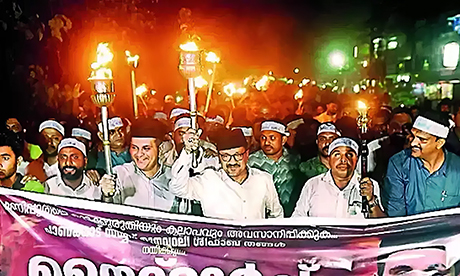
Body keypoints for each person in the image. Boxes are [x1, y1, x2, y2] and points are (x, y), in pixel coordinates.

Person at [171, 128, 284, 220]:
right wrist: (186, 153)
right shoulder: (209, 180)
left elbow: (276, 215)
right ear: (219, 157)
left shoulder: (263, 179)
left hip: (254, 246)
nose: (232, 161)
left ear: (247, 154)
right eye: (225, 156)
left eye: (237, 155)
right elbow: (177, 188)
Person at [383, 111, 460, 217]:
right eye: (413, 136)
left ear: (439, 143)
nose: (413, 143)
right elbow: (395, 215)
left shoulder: (457, 168)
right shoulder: (399, 164)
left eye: (422, 140)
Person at [99, 119, 183, 212]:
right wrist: (106, 196)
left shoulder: (174, 177)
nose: (139, 154)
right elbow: (108, 213)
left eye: (146, 148)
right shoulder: (119, 175)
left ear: (160, 148)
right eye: (134, 148)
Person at [292, 137, 385, 218]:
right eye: (337, 154)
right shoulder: (313, 185)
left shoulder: (368, 185)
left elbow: (381, 226)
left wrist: (371, 199)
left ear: (356, 159)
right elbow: (297, 220)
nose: (343, 160)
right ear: (329, 159)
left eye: (349, 155)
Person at [248, 120, 305, 217]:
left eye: (272, 138)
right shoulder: (251, 161)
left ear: (283, 140)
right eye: (263, 138)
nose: (267, 142)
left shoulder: (294, 159)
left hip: (290, 215)